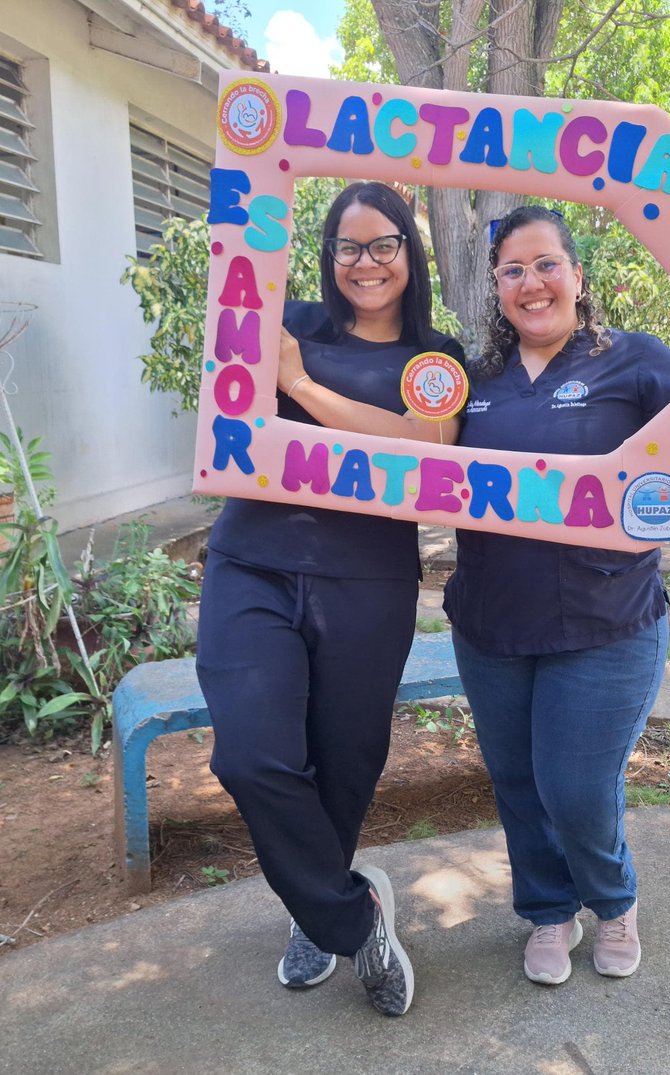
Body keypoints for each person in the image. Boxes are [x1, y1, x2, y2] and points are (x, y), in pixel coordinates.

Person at [196, 181, 464, 1016]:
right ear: (327, 255)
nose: (366, 263)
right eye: (348, 247)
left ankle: (315, 914)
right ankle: (350, 914)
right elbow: (237, 266)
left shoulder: (433, 357)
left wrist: (302, 386)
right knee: (251, 756)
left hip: (368, 579)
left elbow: (427, 451)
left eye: (384, 244)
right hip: (254, 561)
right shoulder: (290, 320)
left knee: (345, 763)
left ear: (409, 251)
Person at [442, 205, 670, 985]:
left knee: (576, 785)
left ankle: (613, 901)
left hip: (606, 620)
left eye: (546, 263)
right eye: (513, 270)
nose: (531, 282)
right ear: (497, 288)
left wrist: (667, 508)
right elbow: (412, 468)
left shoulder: (635, 361)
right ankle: (549, 911)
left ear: (578, 277)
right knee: (518, 781)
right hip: (491, 621)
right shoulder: (470, 380)